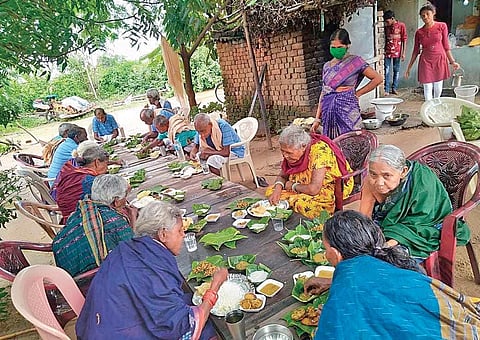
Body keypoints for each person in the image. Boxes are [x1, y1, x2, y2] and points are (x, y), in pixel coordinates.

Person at [303, 210, 480, 339]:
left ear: (335, 254)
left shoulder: (345, 294)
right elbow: (377, 290)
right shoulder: (387, 261)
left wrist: (323, 323)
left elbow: (335, 332)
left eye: (326, 250)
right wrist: (332, 282)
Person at [75, 201, 228, 339]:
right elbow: (187, 326)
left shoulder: (128, 248)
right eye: (180, 231)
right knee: (212, 327)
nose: (183, 235)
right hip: (120, 333)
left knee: (189, 299)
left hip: (100, 325)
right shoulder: (152, 268)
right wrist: (214, 287)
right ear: (162, 234)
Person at [359, 144, 470, 259]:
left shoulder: (423, 182)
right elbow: (364, 218)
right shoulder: (370, 181)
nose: (379, 182)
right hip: (388, 226)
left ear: (403, 171)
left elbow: (422, 219)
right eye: (373, 174)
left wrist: (390, 242)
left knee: (391, 257)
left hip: (424, 225)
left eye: (386, 175)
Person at [52, 175, 135, 277]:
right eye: (125, 197)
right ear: (116, 200)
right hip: (87, 281)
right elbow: (135, 250)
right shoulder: (114, 221)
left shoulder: (84, 207)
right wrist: (133, 219)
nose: (125, 201)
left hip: (65, 274)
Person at [266, 125, 353, 218]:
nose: (285, 156)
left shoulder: (319, 152)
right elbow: (283, 176)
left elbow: (314, 189)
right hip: (301, 186)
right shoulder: (292, 154)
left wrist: (292, 185)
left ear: (303, 146)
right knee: (271, 192)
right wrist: (278, 189)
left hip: (326, 189)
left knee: (303, 205)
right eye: (283, 151)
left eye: (288, 152)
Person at [310, 28, 382, 139]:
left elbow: (377, 79)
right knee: (332, 144)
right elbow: (323, 93)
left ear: (348, 45)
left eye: (339, 47)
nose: (336, 50)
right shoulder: (327, 66)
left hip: (348, 108)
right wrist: (317, 119)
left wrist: (358, 93)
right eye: (333, 47)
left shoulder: (355, 62)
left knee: (353, 141)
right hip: (328, 110)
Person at [404, 2, 460, 101]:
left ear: (433, 13)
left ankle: (436, 106)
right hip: (425, 61)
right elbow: (415, 51)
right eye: (422, 16)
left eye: (427, 14)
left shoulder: (442, 26)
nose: (425, 17)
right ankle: (428, 108)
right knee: (427, 86)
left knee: (438, 87)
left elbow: (446, 46)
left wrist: (452, 62)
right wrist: (409, 68)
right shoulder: (419, 32)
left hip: (440, 59)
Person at [52, 141, 109, 222]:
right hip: (79, 220)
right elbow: (106, 203)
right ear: (97, 162)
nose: (107, 168)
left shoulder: (75, 170)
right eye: (106, 164)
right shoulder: (89, 181)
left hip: (67, 215)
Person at [383, 10, 407, 96]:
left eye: (387, 21)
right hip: (388, 52)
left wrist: (403, 52)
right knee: (386, 70)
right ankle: (386, 89)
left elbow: (404, 39)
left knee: (396, 71)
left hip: (398, 52)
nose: (386, 23)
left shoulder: (401, 26)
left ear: (392, 18)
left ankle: (394, 88)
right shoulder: (386, 27)